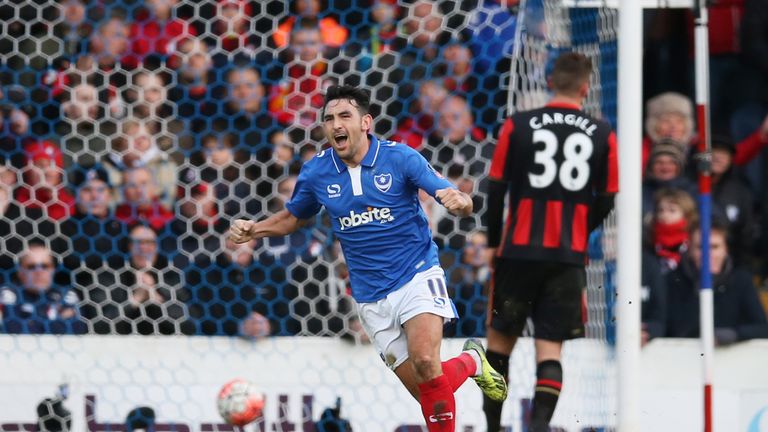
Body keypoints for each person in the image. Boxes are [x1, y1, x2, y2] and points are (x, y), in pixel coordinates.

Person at [230, 84, 507, 431]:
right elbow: (293, 217)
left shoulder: (400, 158)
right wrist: (254, 230)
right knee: (430, 391)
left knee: (425, 361)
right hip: (370, 295)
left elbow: (449, 192)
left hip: (416, 274)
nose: (335, 124)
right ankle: (471, 362)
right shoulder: (317, 172)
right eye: (328, 118)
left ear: (366, 123)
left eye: (344, 116)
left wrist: (461, 202)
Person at [483, 52, 618, 432]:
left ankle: (492, 428)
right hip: (566, 255)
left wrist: (494, 240)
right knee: (550, 349)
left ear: (548, 83)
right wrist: (580, 230)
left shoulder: (518, 125)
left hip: (518, 252)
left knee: (498, 345)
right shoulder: (603, 134)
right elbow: (608, 196)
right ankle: (539, 427)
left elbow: (496, 188)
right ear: (586, 88)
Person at [666, 219, 768, 344]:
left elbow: (762, 328)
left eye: (714, 247)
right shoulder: (672, 281)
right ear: (690, 250)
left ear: (726, 249)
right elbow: (665, 327)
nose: (708, 254)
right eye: (700, 247)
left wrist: (735, 334)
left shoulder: (741, 281)